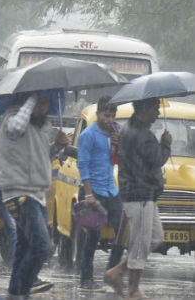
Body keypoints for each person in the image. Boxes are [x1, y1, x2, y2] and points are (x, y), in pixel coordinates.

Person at [0, 91, 69, 300]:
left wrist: (58, 145)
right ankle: (21, 290)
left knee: (24, 247)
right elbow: (17, 127)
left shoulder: (41, 127)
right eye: (39, 103)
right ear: (26, 101)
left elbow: (43, 157)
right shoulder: (11, 119)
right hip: (18, 192)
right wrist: (32, 98)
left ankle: (15, 293)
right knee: (42, 245)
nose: (42, 107)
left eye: (46, 103)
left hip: (36, 193)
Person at [104, 97, 171, 300]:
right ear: (144, 108)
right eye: (155, 108)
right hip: (139, 193)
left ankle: (117, 271)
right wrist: (166, 144)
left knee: (155, 237)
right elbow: (158, 158)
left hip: (144, 193)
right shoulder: (141, 134)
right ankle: (133, 289)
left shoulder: (133, 129)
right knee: (141, 242)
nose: (158, 113)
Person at [76, 95, 124, 290]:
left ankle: (112, 273)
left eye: (113, 115)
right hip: (93, 191)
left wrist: (118, 144)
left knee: (122, 232)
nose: (110, 119)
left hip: (111, 190)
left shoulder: (116, 133)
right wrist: (89, 194)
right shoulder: (88, 135)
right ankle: (85, 278)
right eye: (106, 115)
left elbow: (118, 160)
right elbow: (83, 165)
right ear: (98, 114)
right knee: (93, 235)